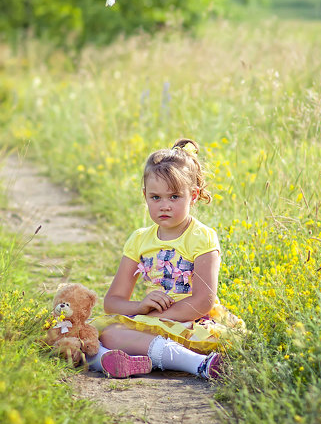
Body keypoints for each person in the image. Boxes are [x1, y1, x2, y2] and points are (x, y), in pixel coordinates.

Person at [87, 138, 243, 379]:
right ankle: (126, 361)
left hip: (190, 323)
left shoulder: (202, 237)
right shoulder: (139, 239)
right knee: (101, 333)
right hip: (151, 322)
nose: (164, 206)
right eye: (155, 197)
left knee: (110, 336)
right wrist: (140, 308)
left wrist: (154, 319)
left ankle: (200, 364)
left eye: (174, 197)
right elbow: (113, 302)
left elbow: (203, 300)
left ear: (193, 195)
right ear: (145, 196)